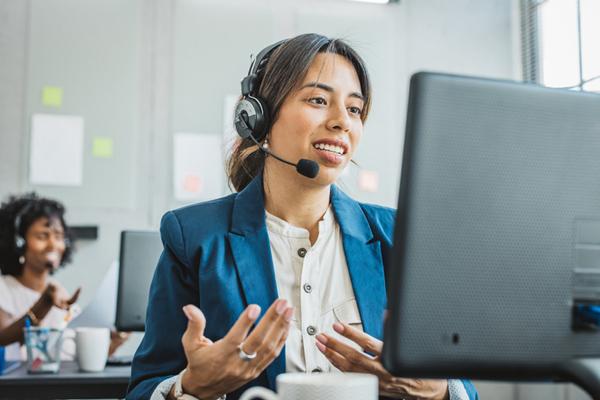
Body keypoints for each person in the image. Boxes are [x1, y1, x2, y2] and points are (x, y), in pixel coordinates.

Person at [127, 33, 479, 400]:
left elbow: (459, 386)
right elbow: (143, 389)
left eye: (355, 109)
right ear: (258, 119)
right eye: (318, 100)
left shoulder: (400, 237)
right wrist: (190, 387)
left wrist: (437, 390)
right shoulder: (193, 236)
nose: (342, 121)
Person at [0, 193, 129, 360]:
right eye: (42, 236)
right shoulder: (4, 289)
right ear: (19, 242)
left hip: (59, 385)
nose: (53, 244)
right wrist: (44, 303)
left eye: (59, 236)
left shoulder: (61, 295)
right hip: (16, 386)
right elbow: (2, 339)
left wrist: (114, 343)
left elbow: (72, 359)